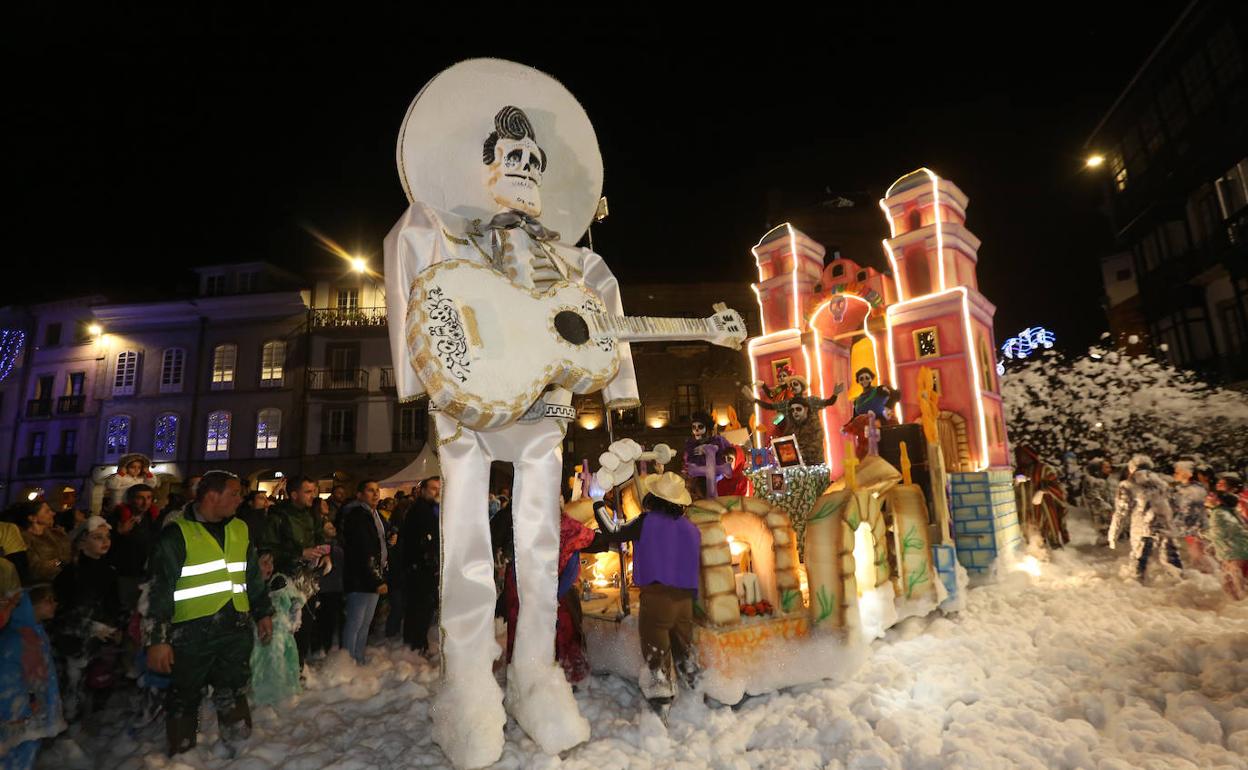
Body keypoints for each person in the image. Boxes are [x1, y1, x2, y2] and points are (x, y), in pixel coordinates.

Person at [385, 62, 641, 768]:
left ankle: (534, 672)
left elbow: (606, 308)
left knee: (536, 540)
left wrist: (619, 392)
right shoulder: (443, 231)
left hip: (545, 403)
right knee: (464, 534)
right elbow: (408, 263)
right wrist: (422, 378)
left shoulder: (575, 258)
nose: (525, 167)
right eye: (513, 156)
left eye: (535, 158)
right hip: (468, 400)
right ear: (488, 164)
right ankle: (467, 679)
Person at [144, 471, 273, 757]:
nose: (240, 500)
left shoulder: (240, 528)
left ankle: (240, 749)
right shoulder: (176, 533)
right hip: (190, 633)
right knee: (184, 695)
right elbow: (159, 590)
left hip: (234, 628)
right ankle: (183, 752)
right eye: (234, 494)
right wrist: (158, 639)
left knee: (234, 688)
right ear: (212, 496)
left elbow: (251, 575)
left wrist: (263, 611)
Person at [592, 473, 701, 718]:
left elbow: (613, 532)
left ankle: (661, 710)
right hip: (685, 601)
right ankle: (696, 701)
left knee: (657, 654)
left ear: (654, 497)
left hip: (657, 598)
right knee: (685, 652)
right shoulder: (691, 528)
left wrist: (598, 502)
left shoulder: (646, 522)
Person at [52, 516, 124, 720]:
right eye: (97, 537)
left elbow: (113, 603)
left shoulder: (109, 570)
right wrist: (92, 626)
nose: (105, 542)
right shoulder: (70, 573)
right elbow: (62, 613)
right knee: (73, 684)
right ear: (82, 542)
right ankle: (70, 723)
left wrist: (115, 625)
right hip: (75, 639)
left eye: (107, 537)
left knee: (97, 679)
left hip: (100, 638)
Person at [260, 477, 326, 666]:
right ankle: (283, 671)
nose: (312, 495)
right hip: (285, 581)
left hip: (308, 579)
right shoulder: (277, 516)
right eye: (307, 491)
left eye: (313, 491)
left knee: (305, 625)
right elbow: (268, 549)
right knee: (286, 628)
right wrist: (299, 553)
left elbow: (319, 537)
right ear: (294, 494)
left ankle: (298, 667)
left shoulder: (312, 515)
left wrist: (324, 554)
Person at [0, 572, 63, 767]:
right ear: (30, 604)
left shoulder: (36, 632)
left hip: (34, 714)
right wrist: (20, 708)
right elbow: (7, 678)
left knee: (28, 754)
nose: (55, 604)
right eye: (48, 600)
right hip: (20, 717)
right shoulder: (16, 639)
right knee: (15, 758)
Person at [1109, 454, 1182, 581]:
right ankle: (1181, 583)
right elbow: (1175, 504)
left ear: (1132, 468)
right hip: (1165, 523)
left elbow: (1121, 511)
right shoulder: (1162, 484)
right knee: (1171, 558)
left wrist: (1113, 535)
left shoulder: (1127, 485)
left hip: (1142, 525)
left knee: (1139, 558)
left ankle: (1137, 586)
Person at [339, 480, 388, 665]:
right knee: (355, 621)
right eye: (370, 490)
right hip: (361, 577)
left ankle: (357, 657)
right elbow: (363, 550)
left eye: (377, 490)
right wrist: (376, 578)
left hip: (372, 575)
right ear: (359, 494)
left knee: (365, 622)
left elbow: (375, 544)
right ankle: (348, 660)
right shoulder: (358, 516)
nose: (375, 494)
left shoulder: (374, 515)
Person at [248, 552, 305, 706]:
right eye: (264, 563)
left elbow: (296, 600)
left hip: (281, 638)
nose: (270, 567)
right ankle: (266, 698)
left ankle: (283, 696)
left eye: (271, 562)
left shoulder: (279, 582)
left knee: (282, 665)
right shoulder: (251, 588)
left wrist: (295, 618)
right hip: (262, 640)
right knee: (266, 667)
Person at [400, 477, 441, 655]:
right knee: (419, 607)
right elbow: (422, 541)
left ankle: (417, 642)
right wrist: (429, 561)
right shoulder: (420, 510)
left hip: (423, 567)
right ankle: (416, 644)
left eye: (439, 488)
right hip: (419, 568)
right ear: (423, 490)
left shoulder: (430, 509)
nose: (437, 491)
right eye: (433, 488)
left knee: (422, 608)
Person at [107, 483, 161, 610]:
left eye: (148, 498)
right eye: (140, 498)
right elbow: (106, 546)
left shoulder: (154, 518)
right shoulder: (117, 518)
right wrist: (118, 533)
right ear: (130, 500)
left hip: (148, 573)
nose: (145, 502)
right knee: (127, 608)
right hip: (126, 574)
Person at [310, 498, 344, 657]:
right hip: (325, 586)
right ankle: (320, 647)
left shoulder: (336, 543)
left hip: (335, 585)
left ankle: (326, 645)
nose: (332, 528)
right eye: (329, 527)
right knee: (324, 618)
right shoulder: (322, 543)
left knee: (330, 618)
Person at [14, 500, 72, 584]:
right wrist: (59, 563)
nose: (53, 513)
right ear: (32, 518)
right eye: (47, 511)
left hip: (63, 583)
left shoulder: (57, 535)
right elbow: (35, 569)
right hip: (40, 588)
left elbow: (69, 554)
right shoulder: (23, 539)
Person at [1171, 460, 1213, 572]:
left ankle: (1209, 579)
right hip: (1188, 530)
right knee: (1195, 556)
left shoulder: (1195, 490)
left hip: (1195, 530)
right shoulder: (1182, 489)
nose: (1175, 475)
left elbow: (1191, 511)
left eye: (1178, 472)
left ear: (1188, 473)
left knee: (1199, 556)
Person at [1206, 491, 1248, 600]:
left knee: (1235, 585)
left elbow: (1218, 533)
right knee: (1233, 583)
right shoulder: (1231, 512)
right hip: (1238, 551)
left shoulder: (1219, 513)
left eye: (1211, 496)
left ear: (1219, 501)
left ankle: (1238, 609)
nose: (1208, 498)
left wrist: (1202, 533)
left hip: (1234, 553)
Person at [1082, 458, 1116, 544]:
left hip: (1108, 513)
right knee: (1105, 535)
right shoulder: (1093, 482)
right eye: (1106, 467)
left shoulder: (1105, 481)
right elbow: (1093, 498)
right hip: (1101, 515)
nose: (1110, 470)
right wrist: (1108, 509)